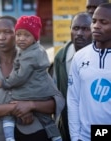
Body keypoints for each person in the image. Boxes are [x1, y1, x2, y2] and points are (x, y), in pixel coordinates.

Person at [0, 15, 65, 141]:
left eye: (8, 32)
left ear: (18, 34)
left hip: (35, 133)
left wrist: (32, 105)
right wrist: (16, 108)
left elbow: (57, 101)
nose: (1, 37)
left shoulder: (33, 61)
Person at [0, 15, 61, 141]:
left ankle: (9, 137)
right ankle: (56, 137)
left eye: (27, 35)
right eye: (18, 35)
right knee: (46, 119)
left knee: (9, 107)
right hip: (42, 93)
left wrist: (5, 83)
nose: (21, 39)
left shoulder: (29, 55)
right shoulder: (36, 50)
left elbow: (20, 76)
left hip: (30, 94)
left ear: (35, 38)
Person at [67, 3, 111, 141]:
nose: (96, 26)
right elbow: (73, 100)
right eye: (94, 21)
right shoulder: (79, 57)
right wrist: (75, 137)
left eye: (103, 22)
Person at [53, 12, 92, 141]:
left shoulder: (104, 58)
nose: (79, 33)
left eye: (86, 29)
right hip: (68, 128)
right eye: (75, 28)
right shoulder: (61, 57)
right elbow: (56, 93)